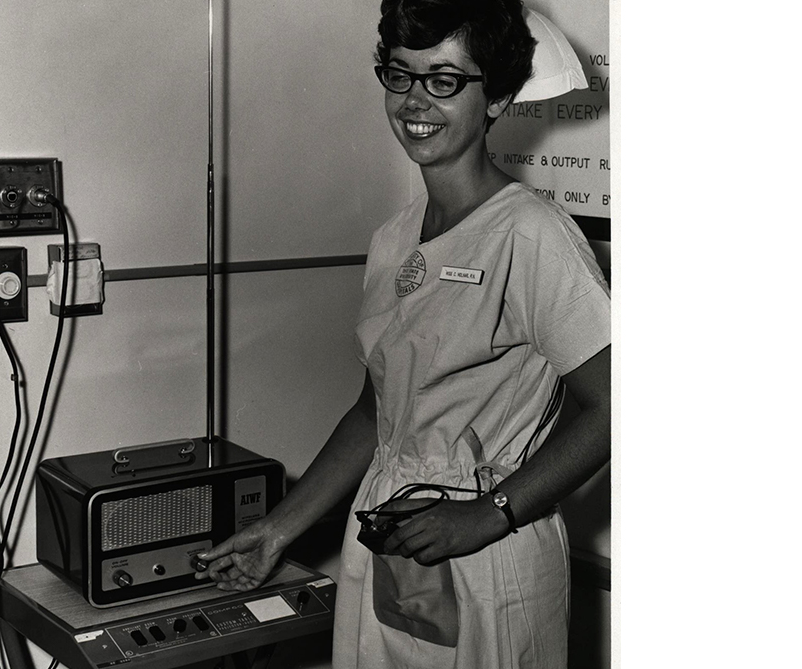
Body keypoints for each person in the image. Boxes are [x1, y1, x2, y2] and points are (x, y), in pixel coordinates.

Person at [195, 0, 610, 666]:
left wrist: (492, 511)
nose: (416, 100)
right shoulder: (394, 239)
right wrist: (279, 530)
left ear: (498, 95)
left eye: (445, 79)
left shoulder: (529, 234)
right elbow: (376, 413)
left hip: (486, 547)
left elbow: (616, 402)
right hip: (392, 533)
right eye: (401, 74)